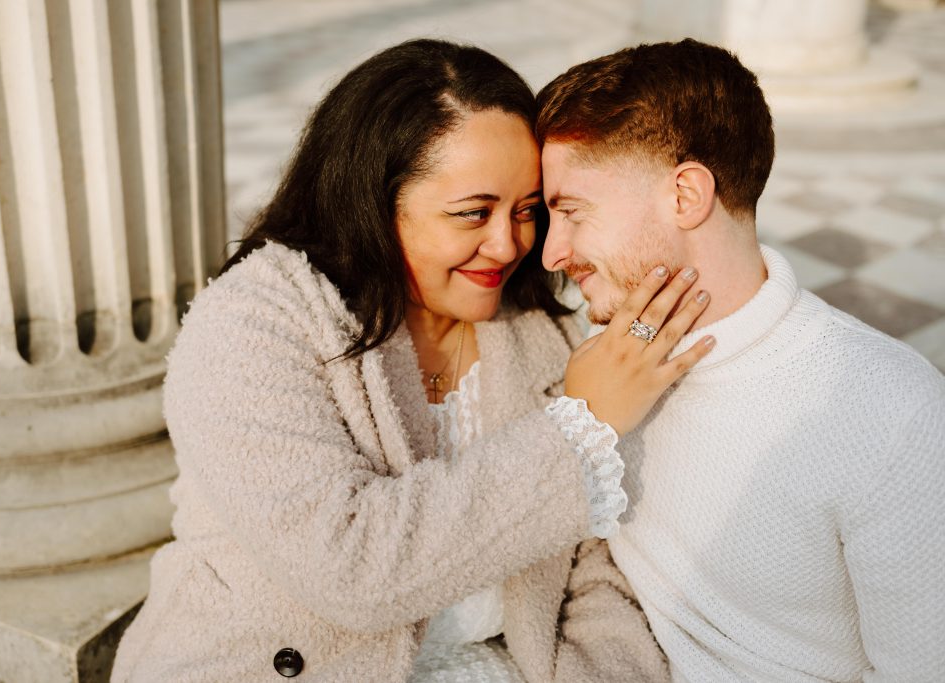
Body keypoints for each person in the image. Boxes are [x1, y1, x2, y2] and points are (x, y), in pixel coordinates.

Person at [110, 39, 714, 682]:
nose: (508, 244)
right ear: (374, 204)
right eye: (472, 213)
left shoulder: (545, 329)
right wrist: (578, 429)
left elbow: (599, 568)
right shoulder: (253, 325)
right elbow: (353, 571)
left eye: (527, 211)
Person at [536, 38, 945, 683]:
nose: (551, 254)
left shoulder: (888, 411)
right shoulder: (594, 356)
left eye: (571, 211)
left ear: (685, 196)